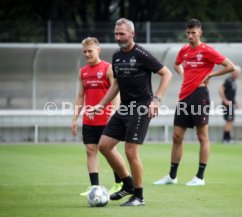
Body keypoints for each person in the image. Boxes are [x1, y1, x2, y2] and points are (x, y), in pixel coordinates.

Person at [90, 18, 172, 206]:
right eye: (116, 34)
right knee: (104, 146)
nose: (118, 37)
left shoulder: (142, 54)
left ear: (132, 34)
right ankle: (127, 185)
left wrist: (156, 100)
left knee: (130, 150)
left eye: (122, 34)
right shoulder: (117, 56)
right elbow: (116, 85)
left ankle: (139, 196)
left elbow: (167, 74)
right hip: (125, 107)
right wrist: (100, 105)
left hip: (141, 107)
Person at [154, 18, 234, 186]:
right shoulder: (183, 50)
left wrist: (210, 75)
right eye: (188, 33)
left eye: (193, 33)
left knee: (202, 136)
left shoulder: (207, 50)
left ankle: (200, 177)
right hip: (184, 96)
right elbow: (176, 65)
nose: (190, 36)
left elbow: (229, 66)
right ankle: (172, 176)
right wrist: (184, 75)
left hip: (200, 95)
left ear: (200, 33)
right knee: (177, 136)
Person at [71, 37, 122, 197]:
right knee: (90, 150)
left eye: (90, 51)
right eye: (84, 51)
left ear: (98, 50)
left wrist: (113, 112)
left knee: (110, 151)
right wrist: (75, 118)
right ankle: (94, 187)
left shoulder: (108, 68)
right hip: (89, 120)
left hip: (106, 119)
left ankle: (119, 183)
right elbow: (80, 96)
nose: (87, 54)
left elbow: (116, 92)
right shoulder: (83, 72)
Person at [219, 65, 241, 143]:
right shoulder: (228, 80)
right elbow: (221, 89)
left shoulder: (233, 82)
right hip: (227, 105)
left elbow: (231, 94)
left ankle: (228, 138)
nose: (239, 74)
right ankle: (225, 138)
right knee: (229, 120)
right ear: (234, 72)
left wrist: (235, 102)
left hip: (231, 104)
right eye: (238, 73)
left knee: (231, 120)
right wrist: (224, 100)